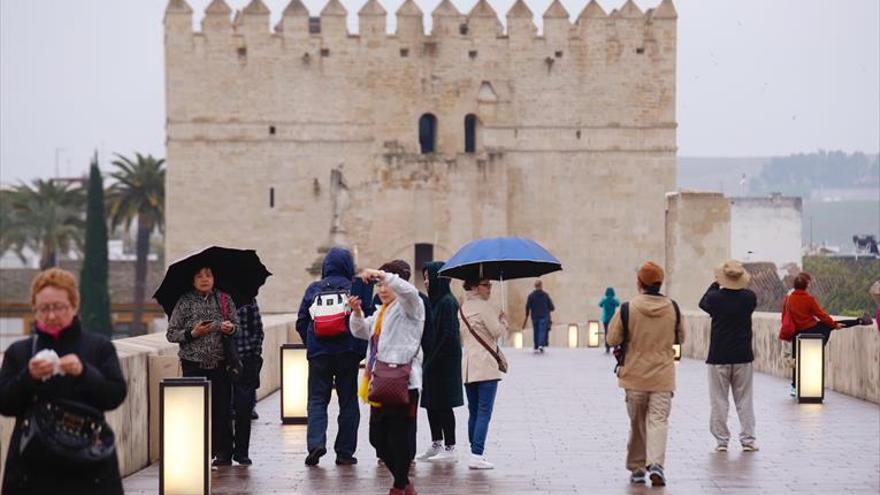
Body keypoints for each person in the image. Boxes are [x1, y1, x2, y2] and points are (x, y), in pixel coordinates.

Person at [0, 268, 127, 494]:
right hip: (34, 469)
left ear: (74, 306)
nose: (51, 316)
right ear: (35, 310)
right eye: (44, 309)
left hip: (88, 467)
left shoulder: (99, 347)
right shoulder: (19, 352)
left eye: (58, 307)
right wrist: (28, 377)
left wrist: (84, 372)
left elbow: (115, 395)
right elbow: (5, 404)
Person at [607, 261, 685, 487]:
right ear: (660, 283)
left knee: (638, 423)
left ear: (639, 283)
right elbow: (682, 337)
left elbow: (613, 338)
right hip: (663, 375)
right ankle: (656, 464)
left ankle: (637, 468)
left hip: (634, 376)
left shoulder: (627, 308)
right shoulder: (673, 308)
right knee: (659, 421)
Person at [349, 263, 425, 495]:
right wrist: (357, 313)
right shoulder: (382, 312)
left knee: (399, 437)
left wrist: (384, 275)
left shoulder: (410, 308)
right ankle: (404, 483)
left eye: (385, 285)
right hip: (380, 380)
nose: (381, 289)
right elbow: (361, 332)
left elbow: (410, 292)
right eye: (379, 285)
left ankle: (398, 486)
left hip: (403, 381)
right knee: (377, 438)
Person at [295, 246, 366, 466]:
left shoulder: (313, 289)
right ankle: (344, 452)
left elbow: (301, 321)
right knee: (348, 402)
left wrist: (312, 345)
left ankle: (316, 444)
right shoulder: (353, 288)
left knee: (317, 400)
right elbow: (364, 319)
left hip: (319, 355)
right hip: (347, 353)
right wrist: (358, 351)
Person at [167, 265, 239, 466]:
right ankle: (197, 450)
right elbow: (171, 333)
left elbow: (237, 326)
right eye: (199, 276)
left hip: (220, 364)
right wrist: (193, 333)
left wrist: (230, 328)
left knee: (222, 410)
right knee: (194, 410)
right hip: (193, 365)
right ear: (193, 281)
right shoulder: (185, 302)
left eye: (208, 275)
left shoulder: (224, 300)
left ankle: (223, 453)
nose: (204, 279)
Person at [698, 260, 758, 453]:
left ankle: (722, 441)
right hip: (742, 355)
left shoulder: (715, 299)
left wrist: (716, 282)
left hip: (719, 355)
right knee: (744, 400)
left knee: (719, 400)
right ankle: (748, 440)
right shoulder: (749, 298)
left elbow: (702, 302)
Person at [783, 272, 872, 396]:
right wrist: (834, 325)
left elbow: (785, 316)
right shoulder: (809, 299)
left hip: (796, 332)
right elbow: (822, 316)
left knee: (796, 359)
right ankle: (860, 321)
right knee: (829, 325)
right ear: (806, 285)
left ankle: (794, 386)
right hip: (810, 329)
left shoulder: (788, 299)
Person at [460, 277, 509, 470]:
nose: (489, 288)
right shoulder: (484, 307)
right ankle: (477, 454)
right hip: (486, 366)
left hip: (468, 366)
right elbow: (497, 332)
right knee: (484, 412)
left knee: (474, 411)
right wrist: (503, 320)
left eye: (490, 285)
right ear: (474, 286)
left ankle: (474, 451)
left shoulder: (463, 307)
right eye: (485, 284)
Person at [418, 261, 464, 463]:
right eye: (425, 277)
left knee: (444, 405)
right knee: (431, 403)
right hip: (431, 360)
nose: (426, 282)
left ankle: (450, 446)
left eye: (429, 277)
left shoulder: (447, 302)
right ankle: (436, 442)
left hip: (444, 362)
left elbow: (448, 336)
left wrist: (432, 358)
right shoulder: (433, 302)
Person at [230, 297, 264, 465]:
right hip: (220, 361)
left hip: (245, 359)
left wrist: (253, 353)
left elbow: (257, 329)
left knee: (244, 409)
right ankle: (224, 451)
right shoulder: (212, 300)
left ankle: (242, 451)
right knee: (223, 410)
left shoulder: (247, 298)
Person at [522, 279, 554, 353]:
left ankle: (536, 345)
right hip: (544, 316)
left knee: (536, 330)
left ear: (535, 286)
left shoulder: (531, 296)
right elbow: (552, 307)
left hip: (534, 316)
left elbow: (527, 306)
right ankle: (541, 345)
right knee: (542, 330)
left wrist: (527, 315)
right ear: (541, 285)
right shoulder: (545, 295)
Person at [599, 287, 621, 353]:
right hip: (612, 318)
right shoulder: (614, 300)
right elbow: (618, 304)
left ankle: (607, 347)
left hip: (605, 319)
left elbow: (600, 304)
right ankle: (615, 346)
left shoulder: (604, 300)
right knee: (614, 332)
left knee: (606, 332)